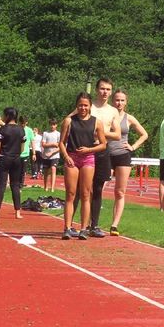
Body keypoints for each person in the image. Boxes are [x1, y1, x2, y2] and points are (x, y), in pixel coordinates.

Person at [59, 93, 106, 238]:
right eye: (80, 105)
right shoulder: (69, 121)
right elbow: (61, 142)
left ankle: (84, 229)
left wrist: (89, 150)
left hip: (88, 159)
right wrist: (66, 157)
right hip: (72, 158)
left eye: (85, 105)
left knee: (86, 194)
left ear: (90, 106)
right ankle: (67, 227)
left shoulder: (97, 122)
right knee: (70, 194)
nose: (83, 108)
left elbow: (104, 144)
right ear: (76, 106)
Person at [107, 90, 149, 235]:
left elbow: (144, 134)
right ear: (113, 101)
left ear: (126, 102)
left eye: (122, 100)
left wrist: (133, 147)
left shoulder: (129, 118)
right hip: (106, 155)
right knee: (96, 189)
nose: (119, 103)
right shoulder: (106, 115)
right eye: (117, 100)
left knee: (120, 191)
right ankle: (91, 223)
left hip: (123, 156)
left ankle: (114, 225)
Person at [86, 78, 120, 238]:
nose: (104, 92)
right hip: (86, 150)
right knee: (84, 189)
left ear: (111, 91)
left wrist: (100, 132)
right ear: (96, 90)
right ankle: (76, 225)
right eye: (102, 89)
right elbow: (70, 120)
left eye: (108, 89)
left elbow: (117, 134)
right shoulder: (88, 106)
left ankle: (94, 225)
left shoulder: (113, 111)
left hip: (102, 151)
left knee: (98, 189)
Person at [0, 108, 27, 220]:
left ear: (8, 116)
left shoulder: (2, 130)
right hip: (17, 159)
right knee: (15, 185)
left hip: (4, 158)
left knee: (1, 185)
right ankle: (17, 212)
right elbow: (23, 147)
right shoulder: (21, 129)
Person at [40, 119, 60, 192]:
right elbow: (43, 144)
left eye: (54, 124)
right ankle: (45, 187)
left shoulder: (58, 134)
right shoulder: (45, 133)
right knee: (46, 172)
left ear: (56, 125)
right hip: (46, 155)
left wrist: (52, 153)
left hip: (55, 155)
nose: (52, 126)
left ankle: (52, 188)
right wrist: (53, 144)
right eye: (51, 124)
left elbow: (60, 146)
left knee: (53, 169)